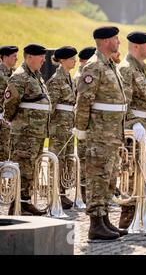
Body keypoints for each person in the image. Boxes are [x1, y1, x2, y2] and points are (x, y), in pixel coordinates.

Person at [73, 26, 128, 239]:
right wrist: (82, 129)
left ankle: (104, 219)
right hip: (99, 134)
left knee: (109, 178)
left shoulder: (109, 65)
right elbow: (83, 100)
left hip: (112, 134)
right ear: (105, 41)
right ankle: (95, 224)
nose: (118, 42)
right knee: (97, 178)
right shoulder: (94, 66)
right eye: (115, 38)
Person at [117, 31, 146, 228]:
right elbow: (123, 101)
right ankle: (128, 213)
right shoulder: (127, 69)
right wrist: (133, 122)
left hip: (145, 128)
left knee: (142, 168)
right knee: (131, 169)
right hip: (135, 129)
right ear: (136, 47)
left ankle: (140, 208)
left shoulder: (139, 68)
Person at [3, 44, 49, 216]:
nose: (44, 60)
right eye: (41, 57)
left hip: (35, 134)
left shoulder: (36, 76)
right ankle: (17, 206)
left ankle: (25, 202)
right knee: (22, 169)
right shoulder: (20, 77)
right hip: (24, 134)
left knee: (31, 170)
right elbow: (10, 103)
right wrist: (15, 122)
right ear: (29, 57)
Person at [47, 46, 78, 210]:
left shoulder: (68, 77)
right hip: (59, 126)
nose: (75, 61)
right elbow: (50, 106)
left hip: (68, 125)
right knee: (57, 159)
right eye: (72, 58)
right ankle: (55, 193)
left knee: (66, 160)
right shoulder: (56, 80)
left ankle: (63, 191)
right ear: (64, 60)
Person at [73, 46, 96, 203]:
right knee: (84, 159)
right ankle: (83, 193)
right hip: (84, 123)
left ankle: (89, 191)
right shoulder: (81, 76)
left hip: (90, 123)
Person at [0, 45, 18, 161]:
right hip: (2, 119)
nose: (16, 59)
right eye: (14, 56)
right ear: (4, 57)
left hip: (11, 119)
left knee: (9, 153)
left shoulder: (15, 73)